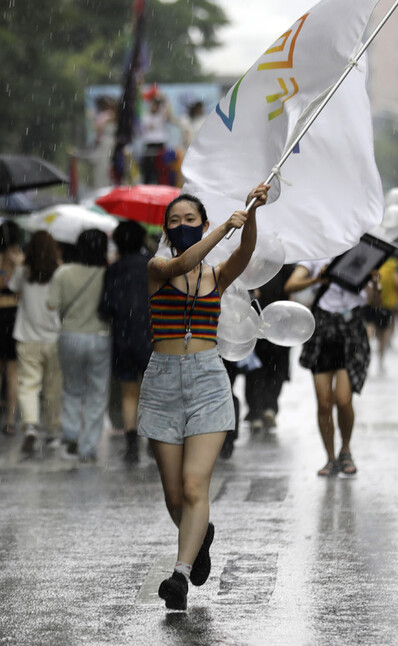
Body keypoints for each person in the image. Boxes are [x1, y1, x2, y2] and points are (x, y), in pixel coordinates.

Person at [139, 185, 268, 611]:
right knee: (175, 497)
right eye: (173, 221)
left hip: (209, 381)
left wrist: (250, 217)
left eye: (190, 220)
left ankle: (178, 576)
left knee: (196, 485)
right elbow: (183, 261)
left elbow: (245, 254)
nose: (181, 227)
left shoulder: (217, 277)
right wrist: (223, 230)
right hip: (161, 384)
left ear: (204, 223)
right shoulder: (158, 266)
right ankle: (200, 537)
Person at [286, 257, 380, 478]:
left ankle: (345, 449)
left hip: (351, 332)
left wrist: (375, 281)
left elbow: (376, 302)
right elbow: (291, 285)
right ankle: (330, 457)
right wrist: (318, 278)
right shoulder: (316, 254)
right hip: (323, 331)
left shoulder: (359, 254)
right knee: (324, 402)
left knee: (343, 400)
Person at [47, 229, 110, 462]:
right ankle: (88, 446)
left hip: (70, 335)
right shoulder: (107, 273)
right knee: (97, 392)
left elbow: (51, 304)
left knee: (72, 388)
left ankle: (71, 433)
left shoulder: (64, 272)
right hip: (101, 336)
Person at [99, 221, 153, 463]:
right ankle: (154, 440)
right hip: (152, 336)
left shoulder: (114, 269)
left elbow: (105, 307)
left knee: (129, 391)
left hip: (123, 336)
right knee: (152, 392)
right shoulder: (152, 266)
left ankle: (132, 442)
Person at [9, 231, 63, 456]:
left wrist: (18, 263)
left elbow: (12, 289)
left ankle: (30, 424)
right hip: (55, 338)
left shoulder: (23, 271)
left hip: (27, 336)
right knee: (53, 387)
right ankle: (52, 431)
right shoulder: (60, 271)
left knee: (29, 384)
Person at [241, 264, 298, 436]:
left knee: (258, 371)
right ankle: (267, 408)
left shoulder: (254, 260)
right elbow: (291, 291)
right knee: (273, 369)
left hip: (261, 319)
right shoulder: (284, 263)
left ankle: (259, 411)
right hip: (276, 320)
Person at [0, 221, 24, 435]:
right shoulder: (23, 261)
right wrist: (17, 266)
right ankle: (10, 420)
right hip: (16, 314)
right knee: (13, 370)